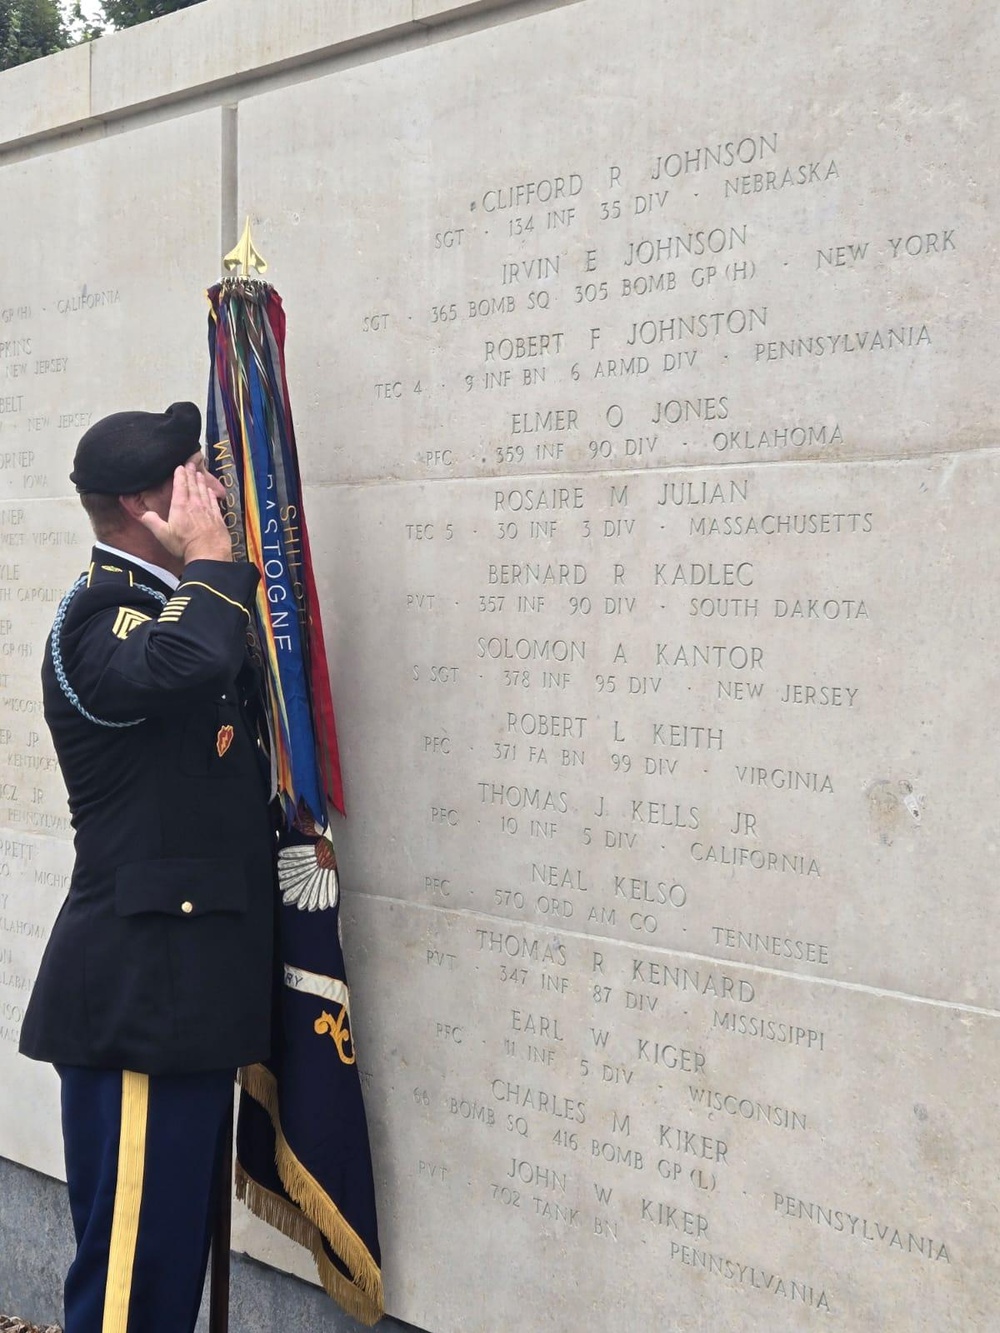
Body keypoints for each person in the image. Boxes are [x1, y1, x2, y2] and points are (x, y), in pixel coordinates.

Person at [19, 402, 275, 1333]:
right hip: (137, 1012)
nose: (212, 490)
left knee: (164, 1276)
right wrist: (210, 555)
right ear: (142, 502)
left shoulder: (158, 608)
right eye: (194, 477)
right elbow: (190, 657)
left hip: (187, 1006)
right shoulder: (97, 622)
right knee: (127, 1291)